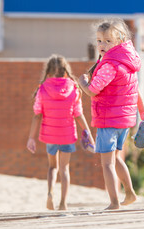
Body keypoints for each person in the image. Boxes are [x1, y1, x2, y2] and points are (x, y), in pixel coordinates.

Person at [78, 18, 144, 210]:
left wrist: (82, 82)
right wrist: (142, 111)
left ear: (119, 40)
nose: (102, 45)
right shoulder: (128, 64)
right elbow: (135, 92)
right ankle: (130, 192)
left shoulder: (110, 65)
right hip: (124, 122)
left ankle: (114, 202)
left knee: (107, 164)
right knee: (117, 158)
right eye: (99, 41)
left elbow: (93, 90)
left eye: (107, 41)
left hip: (108, 120)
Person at [27, 54, 95, 210]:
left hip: (50, 135)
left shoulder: (42, 89)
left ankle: (50, 193)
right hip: (67, 135)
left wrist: (31, 138)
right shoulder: (73, 88)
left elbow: (37, 115)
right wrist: (88, 132)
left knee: (52, 167)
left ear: (49, 72)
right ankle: (63, 203)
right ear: (66, 71)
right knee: (65, 169)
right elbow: (78, 114)